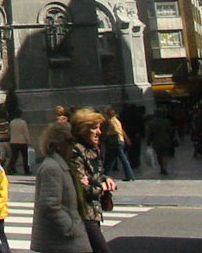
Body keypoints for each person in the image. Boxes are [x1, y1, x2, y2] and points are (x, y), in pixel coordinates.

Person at [30, 121, 91, 253]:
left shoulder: (63, 165)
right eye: (69, 141)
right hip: (61, 243)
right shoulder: (52, 168)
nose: (72, 146)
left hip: (66, 241)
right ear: (57, 144)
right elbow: (49, 205)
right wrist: (71, 228)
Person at [70, 109, 116, 253]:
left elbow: (96, 175)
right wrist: (101, 186)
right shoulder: (76, 151)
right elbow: (82, 189)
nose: (99, 132)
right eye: (94, 128)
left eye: (99, 128)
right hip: (83, 213)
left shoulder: (93, 149)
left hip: (95, 210)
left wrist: (106, 179)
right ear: (83, 130)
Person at [101, 107, 134, 182]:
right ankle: (105, 174)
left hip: (115, 142)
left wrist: (108, 133)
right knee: (111, 159)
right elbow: (121, 130)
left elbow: (117, 130)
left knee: (121, 159)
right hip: (119, 141)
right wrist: (126, 139)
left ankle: (130, 175)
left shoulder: (112, 121)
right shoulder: (116, 120)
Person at [143, 110, 176, 176]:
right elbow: (170, 132)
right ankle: (164, 168)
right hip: (166, 141)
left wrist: (148, 142)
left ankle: (161, 167)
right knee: (165, 155)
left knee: (159, 155)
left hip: (156, 142)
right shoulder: (167, 122)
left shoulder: (151, 123)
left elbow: (150, 134)